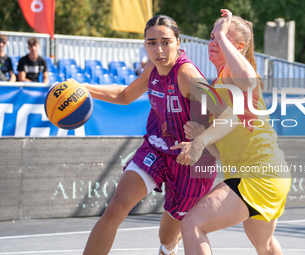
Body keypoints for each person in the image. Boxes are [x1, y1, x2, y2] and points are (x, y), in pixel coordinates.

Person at [79, 15, 234, 255]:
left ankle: (169, 249)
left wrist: (200, 141)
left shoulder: (187, 75)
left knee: (168, 236)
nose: (158, 49)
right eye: (151, 42)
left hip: (190, 161)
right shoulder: (152, 68)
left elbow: (229, 116)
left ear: (178, 43)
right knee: (116, 208)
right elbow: (124, 95)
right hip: (156, 148)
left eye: (165, 41)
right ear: (144, 45)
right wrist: (83, 88)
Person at [172, 9, 291, 255]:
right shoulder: (218, 86)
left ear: (239, 46)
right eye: (212, 37)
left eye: (221, 36)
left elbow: (247, 79)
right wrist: (203, 137)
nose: (213, 42)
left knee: (193, 224)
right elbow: (220, 150)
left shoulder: (237, 77)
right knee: (265, 246)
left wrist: (223, 35)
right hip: (268, 175)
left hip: (259, 174)